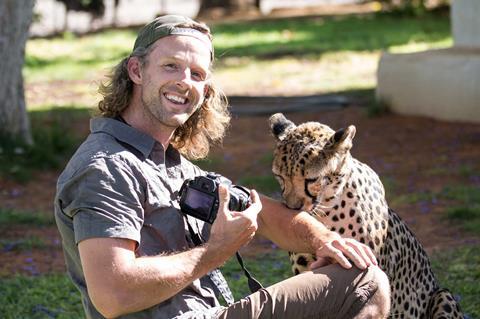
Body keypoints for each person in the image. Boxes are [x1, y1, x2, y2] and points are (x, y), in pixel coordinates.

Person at [54, 15, 391, 319]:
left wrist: (325, 240)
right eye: (171, 66)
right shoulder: (106, 168)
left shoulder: (168, 163)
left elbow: (264, 214)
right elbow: (113, 294)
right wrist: (215, 251)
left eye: (197, 74)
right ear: (136, 71)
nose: (185, 82)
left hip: (210, 312)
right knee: (366, 283)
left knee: (358, 270)